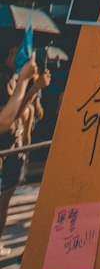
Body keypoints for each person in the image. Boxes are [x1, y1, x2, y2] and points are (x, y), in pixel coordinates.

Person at [0, 45, 49, 254]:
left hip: (13, 152)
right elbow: (5, 121)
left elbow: (32, 114)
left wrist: (32, 87)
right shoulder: (4, 79)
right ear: (11, 53)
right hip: (6, 150)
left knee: (3, 204)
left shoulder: (12, 78)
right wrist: (26, 84)